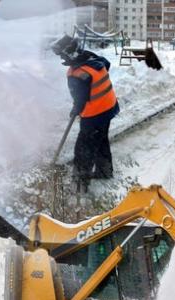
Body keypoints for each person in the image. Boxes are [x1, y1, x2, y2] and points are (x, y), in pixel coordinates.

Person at [54, 36, 120, 190]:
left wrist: (75, 109)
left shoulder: (76, 74)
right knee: (101, 139)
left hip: (94, 115)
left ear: (70, 54)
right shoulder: (92, 58)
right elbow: (107, 63)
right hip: (108, 107)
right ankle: (104, 171)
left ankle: (79, 184)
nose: (62, 58)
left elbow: (80, 99)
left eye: (62, 55)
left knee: (84, 149)